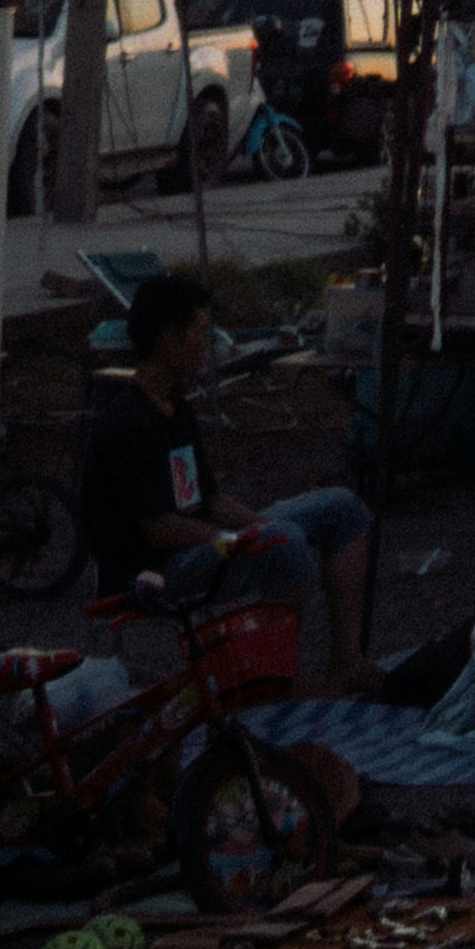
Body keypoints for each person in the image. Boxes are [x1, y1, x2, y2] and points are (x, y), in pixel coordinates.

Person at [82, 270, 380, 691]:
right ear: (169, 338)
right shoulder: (127, 423)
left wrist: (258, 523)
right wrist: (241, 538)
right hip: (153, 571)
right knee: (285, 544)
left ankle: (347, 661)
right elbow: (160, 527)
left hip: (198, 540)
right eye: (200, 332)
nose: (206, 345)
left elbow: (208, 496)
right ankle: (273, 678)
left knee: (341, 508)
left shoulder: (174, 405)